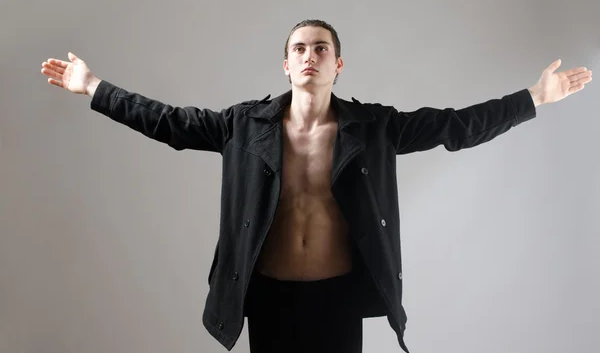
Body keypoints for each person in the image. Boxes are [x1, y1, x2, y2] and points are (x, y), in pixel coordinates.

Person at [41, 19, 592, 353]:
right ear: (286, 64)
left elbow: (455, 125)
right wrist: (93, 86)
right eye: (300, 48)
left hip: (336, 298)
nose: (310, 56)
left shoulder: (373, 127)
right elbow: (169, 122)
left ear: (338, 64)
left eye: (321, 48)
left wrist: (534, 97)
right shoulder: (243, 126)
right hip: (271, 296)